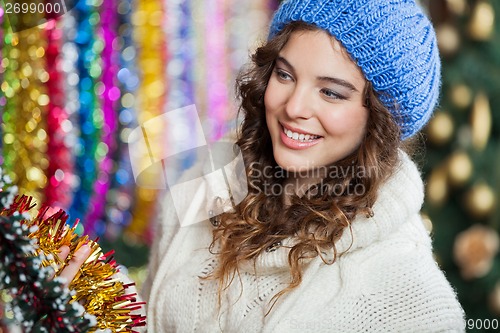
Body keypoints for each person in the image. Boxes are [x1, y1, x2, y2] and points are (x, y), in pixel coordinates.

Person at [140, 0, 466, 332]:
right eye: (284, 74)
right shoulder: (203, 184)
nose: (294, 106)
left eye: (331, 93)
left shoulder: (413, 304)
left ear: (381, 119)